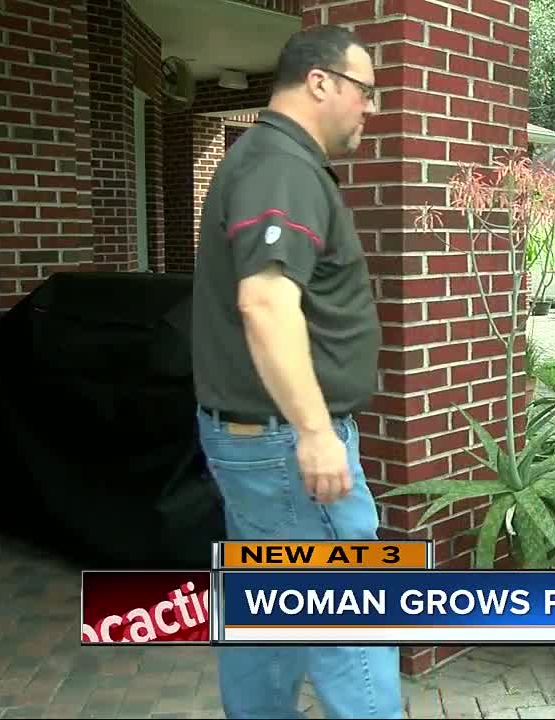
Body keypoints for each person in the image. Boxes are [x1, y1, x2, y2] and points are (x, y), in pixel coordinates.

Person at [190, 25, 403, 719]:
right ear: (320, 82)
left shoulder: (263, 158)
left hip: (257, 439)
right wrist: (314, 431)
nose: (370, 107)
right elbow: (265, 301)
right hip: (288, 445)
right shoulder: (281, 166)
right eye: (365, 91)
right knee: (350, 623)